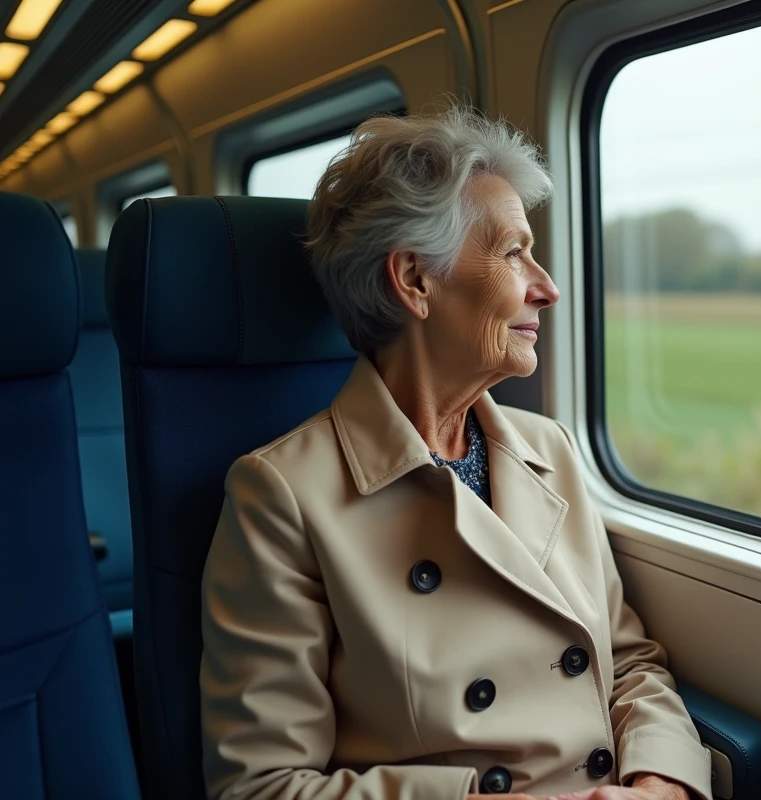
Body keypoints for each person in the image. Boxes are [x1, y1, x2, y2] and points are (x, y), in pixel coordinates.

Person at [199, 105, 712, 800]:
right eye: (513, 252)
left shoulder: (549, 449)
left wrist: (661, 783)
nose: (547, 287)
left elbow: (626, 664)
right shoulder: (282, 496)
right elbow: (260, 787)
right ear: (414, 279)